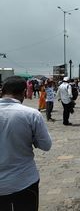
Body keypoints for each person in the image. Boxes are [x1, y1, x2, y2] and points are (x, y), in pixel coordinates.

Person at [0, 76, 52, 211]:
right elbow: (46, 145)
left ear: (2, 91)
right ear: (24, 92)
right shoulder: (31, 114)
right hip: (23, 181)